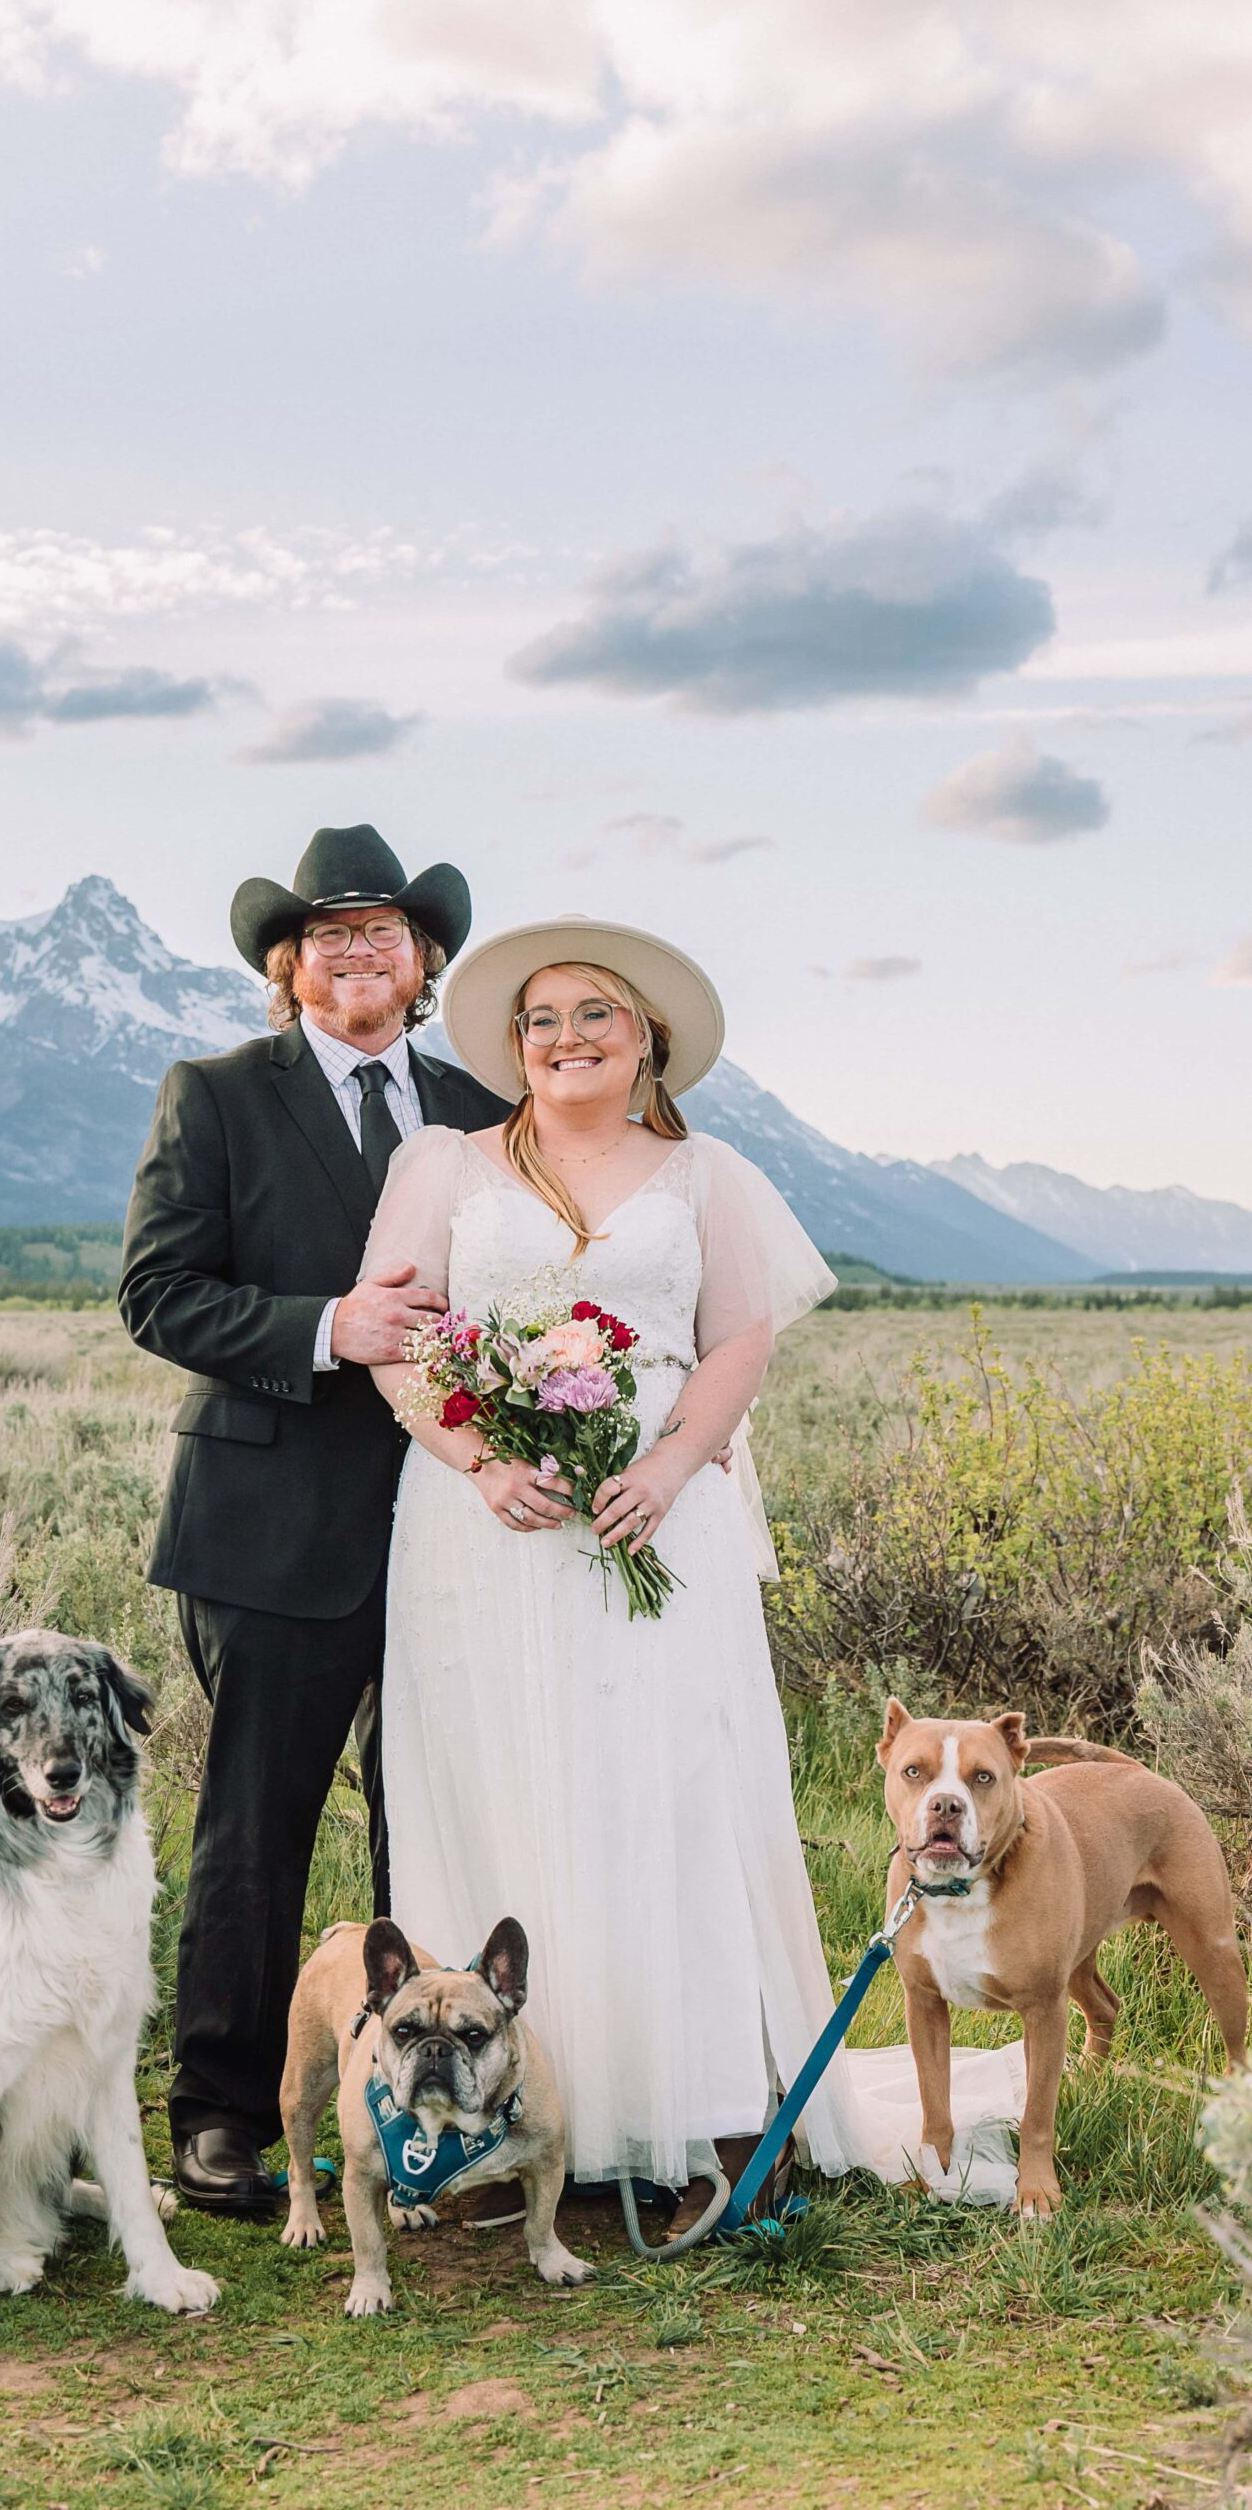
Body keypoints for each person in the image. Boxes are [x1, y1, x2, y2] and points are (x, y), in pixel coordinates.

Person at [363, 915, 1025, 2218]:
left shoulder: (703, 1173)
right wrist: (481, 1461)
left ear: (646, 1038)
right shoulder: (442, 1165)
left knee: (670, 1797)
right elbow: (395, 1336)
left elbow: (735, 1343)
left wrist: (665, 1466)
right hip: (478, 1537)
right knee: (496, 1784)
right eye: (541, 1019)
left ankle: (713, 2112)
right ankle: (491, 2127)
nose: (565, 1038)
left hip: (656, 1524)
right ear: (511, 1044)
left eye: (595, 1015)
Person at [118, 826, 509, 2216]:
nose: (358, 951)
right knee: (253, 1834)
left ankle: (429, 2114)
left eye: (385, 930)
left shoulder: (484, 1104)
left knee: (438, 1826)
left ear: (423, 962)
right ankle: (224, 2116)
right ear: (288, 968)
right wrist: (327, 1327)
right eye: (329, 932)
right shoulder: (217, 1096)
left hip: (453, 1531)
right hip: (268, 1530)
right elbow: (158, 1294)